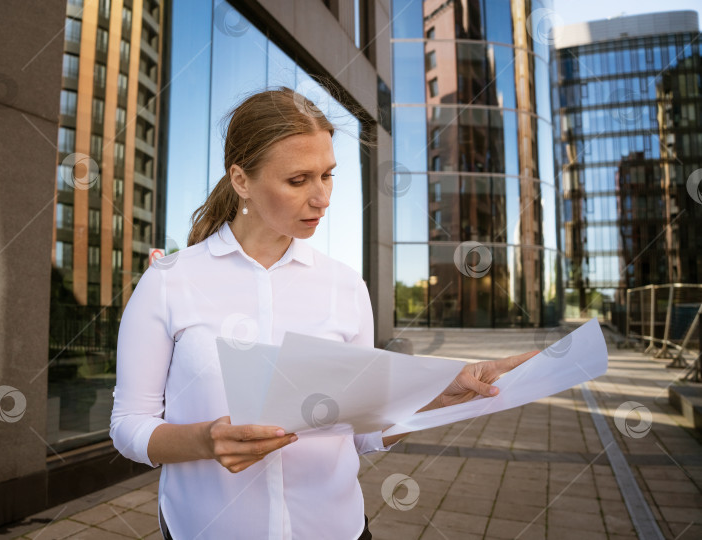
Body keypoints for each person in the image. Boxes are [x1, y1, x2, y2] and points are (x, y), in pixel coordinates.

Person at [109, 86, 538, 539]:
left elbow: (362, 433)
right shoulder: (170, 280)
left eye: (327, 175)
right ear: (241, 180)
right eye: (298, 180)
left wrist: (432, 402)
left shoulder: (346, 286)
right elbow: (128, 426)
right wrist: (204, 440)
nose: (322, 198)